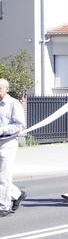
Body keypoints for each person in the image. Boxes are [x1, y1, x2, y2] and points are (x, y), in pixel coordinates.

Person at [0, 79, 26, 217]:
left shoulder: (13, 104)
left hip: (8, 143)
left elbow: (19, 126)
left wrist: (2, 130)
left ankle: (4, 206)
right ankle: (17, 194)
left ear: (6, 89)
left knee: (4, 177)